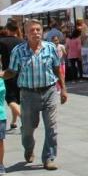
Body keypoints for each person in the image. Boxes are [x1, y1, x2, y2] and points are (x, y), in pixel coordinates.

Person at [3, 20, 68, 171]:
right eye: (32, 30)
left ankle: (49, 158)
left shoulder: (51, 48)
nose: (36, 33)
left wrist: (63, 89)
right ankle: (29, 148)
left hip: (49, 91)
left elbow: (57, 69)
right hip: (28, 94)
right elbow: (11, 71)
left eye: (38, 30)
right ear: (25, 33)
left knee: (51, 127)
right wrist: (1, 75)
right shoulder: (18, 51)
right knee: (27, 129)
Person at [0, 22, 23, 131]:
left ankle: (24, 119)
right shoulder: (22, 41)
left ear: (7, 29)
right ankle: (14, 122)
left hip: (8, 73)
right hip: (21, 73)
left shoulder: (2, 42)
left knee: (10, 99)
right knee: (17, 98)